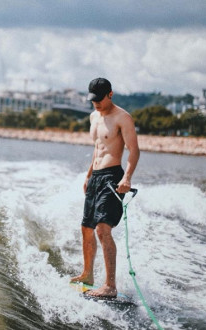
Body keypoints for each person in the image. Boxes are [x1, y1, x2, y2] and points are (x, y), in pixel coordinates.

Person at [71, 77, 140, 298]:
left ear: (110, 94)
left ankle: (110, 286)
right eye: (93, 100)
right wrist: (89, 175)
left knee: (102, 229)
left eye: (100, 99)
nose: (96, 104)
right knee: (86, 227)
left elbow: (134, 150)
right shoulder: (93, 116)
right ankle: (87, 275)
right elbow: (98, 148)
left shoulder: (123, 117)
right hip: (96, 177)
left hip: (113, 177)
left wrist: (127, 178)